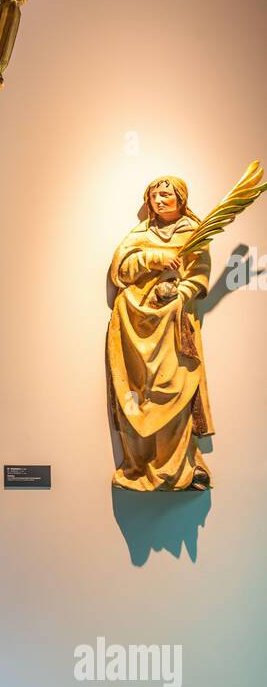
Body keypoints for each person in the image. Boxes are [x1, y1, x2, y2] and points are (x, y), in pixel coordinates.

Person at [107, 175, 213, 492]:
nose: (160, 198)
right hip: (134, 322)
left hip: (173, 325)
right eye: (155, 193)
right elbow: (121, 272)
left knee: (174, 390)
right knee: (139, 393)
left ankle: (175, 468)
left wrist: (178, 293)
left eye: (167, 194)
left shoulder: (193, 233)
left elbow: (199, 275)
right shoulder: (140, 234)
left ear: (181, 199)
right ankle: (139, 465)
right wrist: (153, 257)